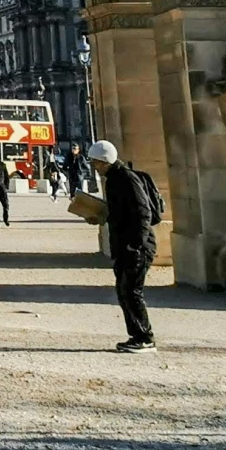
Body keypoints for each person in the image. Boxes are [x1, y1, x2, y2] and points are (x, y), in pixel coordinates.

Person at [87, 139, 160, 352]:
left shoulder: (127, 179)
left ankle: (145, 337)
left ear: (105, 161)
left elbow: (143, 213)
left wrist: (136, 245)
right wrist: (99, 216)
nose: (94, 167)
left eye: (96, 163)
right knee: (124, 290)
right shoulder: (114, 179)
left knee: (131, 291)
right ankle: (137, 335)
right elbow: (121, 212)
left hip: (136, 246)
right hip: (125, 245)